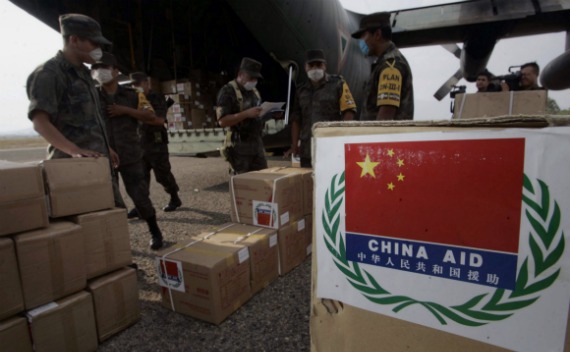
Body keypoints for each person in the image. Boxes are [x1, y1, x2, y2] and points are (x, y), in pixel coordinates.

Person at [26, 13, 125, 208]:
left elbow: (90, 118)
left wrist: (106, 147)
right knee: (84, 224)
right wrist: (75, 151)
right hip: (71, 168)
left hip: (96, 163)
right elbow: (40, 122)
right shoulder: (49, 73)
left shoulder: (85, 74)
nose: (98, 50)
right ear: (74, 40)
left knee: (111, 219)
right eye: (93, 43)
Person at [91, 52, 165, 250]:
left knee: (140, 197)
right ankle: (118, 245)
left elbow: (151, 117)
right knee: (110, 202)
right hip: (104, 156)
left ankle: (154, 231)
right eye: (96, 68)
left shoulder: (133, 95)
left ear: (116, 71)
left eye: (104, 67)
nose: (99, 72)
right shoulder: (91, 96)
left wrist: (126, 110)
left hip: (131, 154)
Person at [285, 49, 357, 167]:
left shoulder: (338, 84)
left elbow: (349, 110)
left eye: (319, 64)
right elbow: (296, 119)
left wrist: (340, 137)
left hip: (330, 148)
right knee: (307, 183)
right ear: (305, 67)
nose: (315, 68)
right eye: (311, 65)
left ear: (325, 66)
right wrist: (294, 146)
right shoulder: (301, 90)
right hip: (307, 150)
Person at [127, 72, 182, 219]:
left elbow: (159, 120)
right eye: (133, 85)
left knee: (163, 175)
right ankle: (141, 207)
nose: (136, 87)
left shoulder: (156, 98)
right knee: (141, 178)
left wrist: (136, 114)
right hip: (139, 143)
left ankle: (174, 197)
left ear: (147, 83)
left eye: (138, 84)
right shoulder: (132, 99)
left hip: (156, 144)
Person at [351, 12, 414, 121]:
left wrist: (372, 138)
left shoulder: (390, 66)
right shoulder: (382, 64)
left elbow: (385, 118)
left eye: (363, 36)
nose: (361, 41)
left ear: (377, 35)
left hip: (384, 137)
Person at [216, 57, 267, 174]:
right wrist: (246, 114)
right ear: (240, 74)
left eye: (256, 78)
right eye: (251, 77)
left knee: (262, 181)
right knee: (241, 185)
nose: (254, 81)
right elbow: (222, 121)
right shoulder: (227, 91)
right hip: (239, 148)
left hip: (256, 145)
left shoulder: (254, 92)